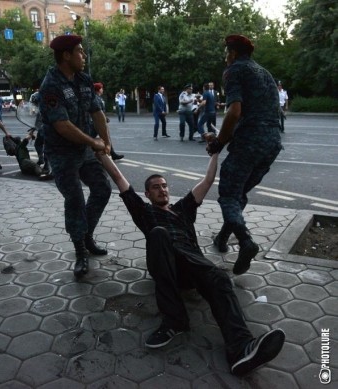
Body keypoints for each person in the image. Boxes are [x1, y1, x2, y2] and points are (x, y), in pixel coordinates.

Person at [97, 151, 285, 377]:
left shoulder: (183, 209)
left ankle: (241, 350)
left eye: (164, 185)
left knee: (219, 278)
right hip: (165, 265)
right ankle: (174, 320)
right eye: (155, 187)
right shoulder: (143, 211)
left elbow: (207, 181)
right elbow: (118, 177)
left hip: (192, 267)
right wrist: (102, 153)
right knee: (158, 234)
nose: (162, 189)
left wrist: (214, 153)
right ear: (147, 194)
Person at [39, 34, 113, 278]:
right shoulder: (51, 85)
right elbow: (62, 125)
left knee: (102, 188)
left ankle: (86, 234)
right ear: (66, 56)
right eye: (80, 52)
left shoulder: (83, 79)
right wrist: (94, 141)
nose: (83, 56)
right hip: (62, 153)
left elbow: (97, 112)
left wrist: (107, 141)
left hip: (84, 150)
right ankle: (80, 251)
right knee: (75, 200)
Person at [207, 34, 282, 275]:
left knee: (228, 194)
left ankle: (246, 242)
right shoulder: (264, 73)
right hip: (271, 144)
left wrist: (219, 142)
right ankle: (222, 238)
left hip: (250, 141)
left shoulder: (234, 71)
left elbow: (234, 112)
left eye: (225, 53)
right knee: (239, 194)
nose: (224, 58)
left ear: (234, 53)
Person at [93, 83, 124, 161]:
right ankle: (108, 154)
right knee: (104, 137)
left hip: (101, 121)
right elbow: (97, 111)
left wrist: (105, 118)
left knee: (106, 137)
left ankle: (112, 153)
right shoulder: (96, 98)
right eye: (101, 88)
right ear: (99, 89)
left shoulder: (98, 98)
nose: (102, 89)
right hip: (98, 122)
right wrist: (103, 118)